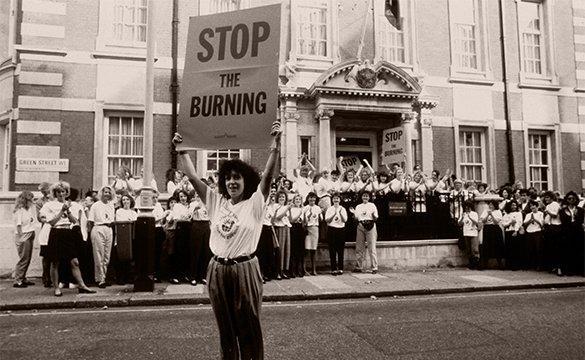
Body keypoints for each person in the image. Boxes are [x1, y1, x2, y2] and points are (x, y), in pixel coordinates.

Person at [173, 121, 281, 360]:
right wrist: (182, 149)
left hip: (245, 268)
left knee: (249, 327)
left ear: (246, 181)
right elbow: (192, 178)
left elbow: (268, 178)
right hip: (217, 269)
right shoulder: (216, 203)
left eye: (237, 178)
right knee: (225, 329)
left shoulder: (254, 204)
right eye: (228, 178)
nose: (232, 182)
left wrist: (275, 146)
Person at [40, 182, 95, 296]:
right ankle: (56, 288)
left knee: (75, 262)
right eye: (58, 192)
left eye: (63, 192)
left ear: (66, 193)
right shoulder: (49, 205)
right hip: (56, 232)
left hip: (67, 232)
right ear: (55, 193)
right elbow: (52, 222)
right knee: (55, 262)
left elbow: (75, 221)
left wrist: (68, 210)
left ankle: (82, 285)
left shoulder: (71, 204)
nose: (61, 194)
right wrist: (61, 211)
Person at [12, 190, 37, 288]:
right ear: (26, 200)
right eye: (31, 199)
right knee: (24, 259)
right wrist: (22, 238)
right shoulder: (20, 210)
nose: (32, 202)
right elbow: (18, 226)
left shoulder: (28, 209)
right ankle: (18, 280)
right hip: (24, 235)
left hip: (30, 233)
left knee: (28, 258)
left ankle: (23, 277)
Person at [168, 189, 192, 284]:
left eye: (184, 196)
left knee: (186, 252)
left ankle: (183, 275)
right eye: (181, 196)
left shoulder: (188, 206)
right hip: (180, 228)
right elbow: (177, 218)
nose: (183, 198)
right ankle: (174, 276)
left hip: (188, 229)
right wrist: (186, 217)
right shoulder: (177, 206)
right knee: (178, 251)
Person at [559, 191, 585, 276]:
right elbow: (563, 221)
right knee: (568, 251)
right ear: (567, 200)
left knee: (578, 250)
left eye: (573, 198)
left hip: (577, 232)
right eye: (569, 199)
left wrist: (575, 216)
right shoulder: (563, 211)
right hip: (567, 233)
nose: (571, 200)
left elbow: (580, 221)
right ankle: (569, 270)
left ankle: (579, 270)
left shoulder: (580, 210)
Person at [189, 191, 211, 286]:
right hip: (197, 224)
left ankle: (202, 276)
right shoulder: (193, 204)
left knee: (205, 251)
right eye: (197, 195)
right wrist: (195, 208)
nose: (199, 197)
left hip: (206, 225)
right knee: (195, 251)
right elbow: (188, 215)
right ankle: (192, 276)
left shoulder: (208, 204)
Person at [325, 192, 348, 275]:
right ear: (332, 200)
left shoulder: (343, 209)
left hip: (341, 230)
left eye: (337, 198)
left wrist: (340, 213)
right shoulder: (329, 209)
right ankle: (333, 268)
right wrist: (334, 213)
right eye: (334, 198)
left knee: (340, 250)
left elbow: (345, 220)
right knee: (332, 250)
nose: (336, 200)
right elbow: (327, 220)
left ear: (340, 200)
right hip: (332, 230)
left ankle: (340, 268)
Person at [36, 182, 53, 288]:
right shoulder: (39, 202)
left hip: (57, 229)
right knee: (46, 255)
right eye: (42, 191)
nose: (44, 193)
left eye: (45, 190)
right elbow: (39, 217)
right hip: (46, 229)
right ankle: (46, 278)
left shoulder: (56, 198)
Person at [478, 200, 504, 269]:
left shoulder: (498, 212)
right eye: (489, 204)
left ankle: (500, 263)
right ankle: (485, 263)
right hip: (487, 229)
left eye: (492, 205)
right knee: (486, 245)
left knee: (497, 245)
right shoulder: (485, 211)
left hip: (495, 228)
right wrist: (487, 214)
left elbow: (496, 222)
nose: (490, 206)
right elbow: (483, 221)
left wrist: (491, 214)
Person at [273, 191, 292, 280]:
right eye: (280, 197)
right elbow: (277, 217)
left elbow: (290, 219)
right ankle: (278, 271)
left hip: (286, 228)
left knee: (287, 250)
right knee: (280, 250)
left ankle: (285, 269)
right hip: (279, 228)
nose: (282, 198)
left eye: (283, 197)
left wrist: (289, 210)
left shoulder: (286, 207)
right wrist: (286, 209)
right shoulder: (275, 206)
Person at [542, 191, 562, 274]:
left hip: (556, 227)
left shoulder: (555, 204)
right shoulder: (548, 206)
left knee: (556, 247)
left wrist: (547, 212)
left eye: (547, 197)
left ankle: (558, 267)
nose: (546, 199)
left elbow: (555, 215)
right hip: (550, 227)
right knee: (551, 247)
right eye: (545, 197)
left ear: (551, 197)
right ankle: (553, 266)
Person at [303, 192, 322, 276]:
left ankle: (313, 269)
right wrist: (308, 216)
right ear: (308, 199)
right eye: (310, 198)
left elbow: (321, 219)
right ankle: (304, 269)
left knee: (313, 249)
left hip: (315, 228)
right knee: (306, 249)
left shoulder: (317, 208)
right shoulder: (305, 208)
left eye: (313, 198)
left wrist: (320, 215)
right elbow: (303, 221)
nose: (312, 199)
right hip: (307, 228)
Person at [501, 200, 523, 270]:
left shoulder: (519, 213)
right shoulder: (507, 214)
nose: (514, 206)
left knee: (515, 249)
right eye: (512, 205)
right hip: (508, 231)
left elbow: (519, 222)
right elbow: (503, 223)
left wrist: (516, 231)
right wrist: (510, 222)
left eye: (515, 205)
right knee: (508, 248)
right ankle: (509, 265)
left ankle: (516, 265)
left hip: (515, 231)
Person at [459, 200, 480, 269]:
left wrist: (470, 217)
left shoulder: (474, 213)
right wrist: (462, 217)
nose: (467, 208)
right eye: (465, 207)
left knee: (474, 249)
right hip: (466, 233)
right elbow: (460, 224)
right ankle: (471, 263)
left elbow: (476, 223)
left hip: (473, 233)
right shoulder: (463, 214)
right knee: (468, 250)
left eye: (468, 207)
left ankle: (477, 263)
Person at [288, 194, 305, 278]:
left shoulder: (302, 209)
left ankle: (300, 270)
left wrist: (304, 217)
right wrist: (299, 214)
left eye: (299, 199)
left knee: (300, 250)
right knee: (293, 250)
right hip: (294, 228)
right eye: (296, 199)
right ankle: (292, 270)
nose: (298, 201)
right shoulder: (292, 209)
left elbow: (304, 221)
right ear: (294, 201)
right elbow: (291, 220)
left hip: (301, 229)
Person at [523, 200, 544, 270]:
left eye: (534, 207)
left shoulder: (541, 213)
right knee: (530, 249)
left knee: (538, 249)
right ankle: (531, 265)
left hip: (537, 232)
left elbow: (542, 224)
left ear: (537, 207)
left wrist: (535, 219)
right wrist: (530, 220)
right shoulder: (528, 214)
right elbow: (525, 224)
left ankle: (539, 265)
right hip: (529, 232)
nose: (532, 208)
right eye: (531, 207)